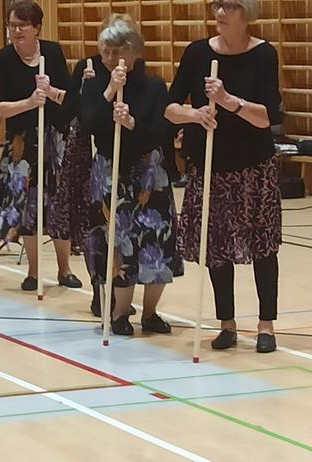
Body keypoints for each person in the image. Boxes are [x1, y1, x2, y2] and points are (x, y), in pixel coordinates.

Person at [166, 0, 283, 353]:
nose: (220, 12)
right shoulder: (197, 52)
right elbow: (169, 107)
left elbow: (268, 117)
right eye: (218, 4)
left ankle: (266, 325)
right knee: (216, 248)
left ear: (247, 12)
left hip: (254, 168)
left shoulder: (264, 55)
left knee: (263, 246)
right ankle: (226, 324)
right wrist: (194, 114)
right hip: (210, 166)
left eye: (230, 5)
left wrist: (229, 100)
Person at [81, 15, 181, 335]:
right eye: (105, 52)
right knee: (118, 241)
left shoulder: (154, 86)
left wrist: (132, 124)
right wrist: (111, 90)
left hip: (149, 173)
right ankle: (120, 312)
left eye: (116, 51)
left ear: (134, 52)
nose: (110, 58)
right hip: (110, 171)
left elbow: (160, 132)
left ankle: (150, 313)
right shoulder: (95, 83)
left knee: (155, 241)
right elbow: (89, 124)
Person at [0, 0, 83, 292]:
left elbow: (70, 99)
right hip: (21, 144)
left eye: (22, 25)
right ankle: (33, 271)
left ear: (37, 28)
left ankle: (65, 269)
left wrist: (50, 91)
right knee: (29, 208)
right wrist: (29, 102)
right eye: (12, 25)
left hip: (54, 139)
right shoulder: (5, 58)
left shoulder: (52, 53)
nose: (16, 31)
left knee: (58, 204)